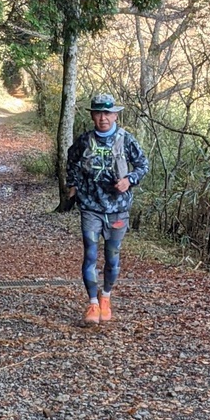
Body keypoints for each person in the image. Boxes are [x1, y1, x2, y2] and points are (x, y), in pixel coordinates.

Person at [66, 92, 149, 325]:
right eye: (99, 113)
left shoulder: (126, 139)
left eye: (108, 113)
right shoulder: (85, 140)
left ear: (115, 115)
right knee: (90, 254)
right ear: (92, 115)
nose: (103, 117)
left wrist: (129, 180)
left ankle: (106, 298)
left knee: (112, 257)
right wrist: (72, 185)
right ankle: (92, 304)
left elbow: (143, 164)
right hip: (90, 207)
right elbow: (71, 160)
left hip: (118, 209)